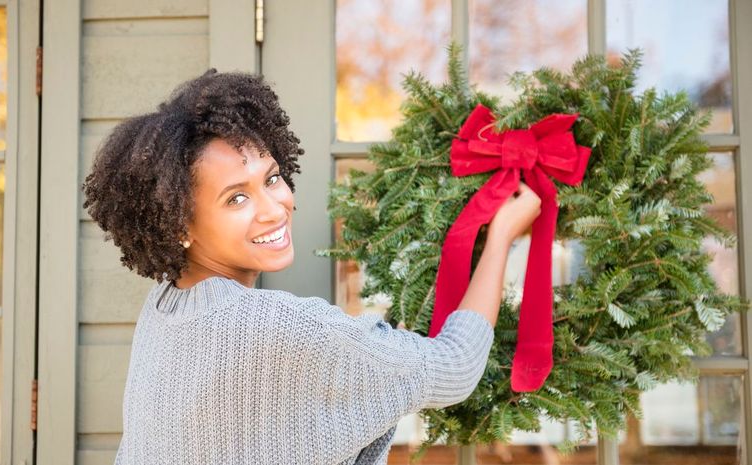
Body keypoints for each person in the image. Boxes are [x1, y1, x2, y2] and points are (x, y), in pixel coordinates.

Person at [81, 69, 541, 465]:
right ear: (180, 224)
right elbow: (455, 367)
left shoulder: (164, 307)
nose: (274, 209)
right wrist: (500, 237)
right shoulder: (273, 326)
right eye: (236, 197)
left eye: (272, 178)